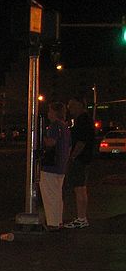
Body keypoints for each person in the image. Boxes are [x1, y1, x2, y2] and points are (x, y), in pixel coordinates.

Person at [39, 102, 71, 231]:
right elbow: (68, 147)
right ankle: (57, 221)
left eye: (50, 111)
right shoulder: (65, 127)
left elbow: (51, 142)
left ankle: (52, 223)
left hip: (50, 166)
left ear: (54, 112)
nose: (48, 114)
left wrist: (41, 138)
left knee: (50, 196)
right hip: (60, 166)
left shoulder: (54, 126)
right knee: (57, 195)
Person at [64, 98, 95, 229]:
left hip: (80, 159)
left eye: (72, 106)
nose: (70, 109)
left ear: (80, 106)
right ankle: (81, 217)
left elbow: (81, 141)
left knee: (79, 188)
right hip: (84, 158)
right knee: (81, 188)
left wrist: (73, 156)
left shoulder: (82, 120)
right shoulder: (84, 120)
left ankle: (81, 218)